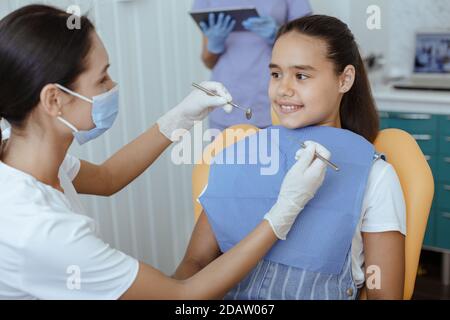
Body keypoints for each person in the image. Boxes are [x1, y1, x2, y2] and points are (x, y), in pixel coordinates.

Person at [0, 5, 330, 300]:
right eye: (102, 80)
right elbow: (182, 296)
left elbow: (107, 178)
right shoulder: (38, 230)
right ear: (54, 100)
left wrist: (182, 116)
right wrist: (284, 211)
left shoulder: (20, 149)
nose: (112, 87)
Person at [174, 15, 406, 300]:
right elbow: (195, 262)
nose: (283, 89)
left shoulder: (374, 176)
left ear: (345, 79)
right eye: (275, 74)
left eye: (301, 75)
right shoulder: (240, 156)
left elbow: (384, 294)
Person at [193, 0, 312, 132]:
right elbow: (208, 62)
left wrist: (279, 35)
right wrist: (214, 46)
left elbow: (307, 52)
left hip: (277, 104)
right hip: (225, 105)